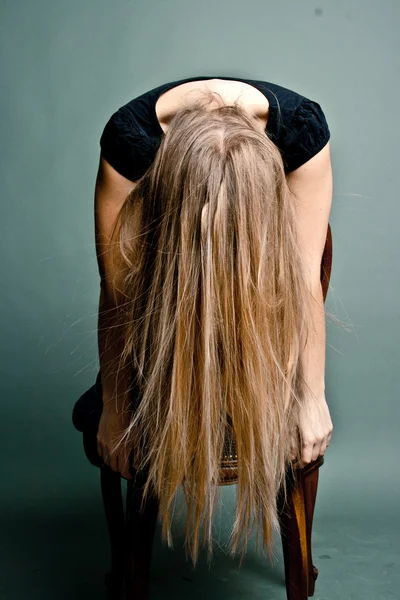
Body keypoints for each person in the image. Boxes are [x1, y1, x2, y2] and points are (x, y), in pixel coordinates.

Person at [73, 75, 334, 566]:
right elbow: (118, 293)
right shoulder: (130, 144)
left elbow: (302, 278)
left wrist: (312, 396)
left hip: (264, 328)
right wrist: (114, 405)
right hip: (164, 323)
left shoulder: (301, 135)